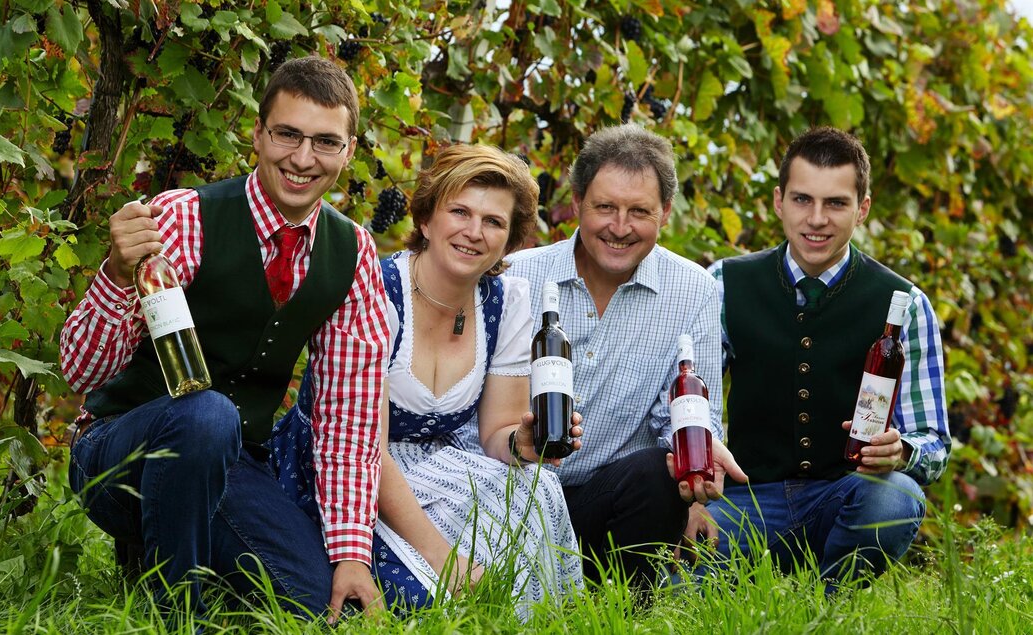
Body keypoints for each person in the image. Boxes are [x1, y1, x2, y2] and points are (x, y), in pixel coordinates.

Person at [60, 56, 389, 619]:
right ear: (258, 136)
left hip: (233, 463)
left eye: (325, 142)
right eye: (287, 134)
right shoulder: (184, 218)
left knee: (315, 607)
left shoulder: (352, 254)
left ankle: (169, 554)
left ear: (349, 151)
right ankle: (176, 614)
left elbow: (348, 418)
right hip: (118, 454)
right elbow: (82, 373)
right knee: (207, 415)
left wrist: (352, 552)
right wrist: (117, 276)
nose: (304, 159)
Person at [270, 144, 584, 618]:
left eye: (494, 222)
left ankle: (531, 617)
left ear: (510, 239)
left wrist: (520, 441)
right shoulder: (376, 290)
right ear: (426, 220)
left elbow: (495, 433)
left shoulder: (506, 302)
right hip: (343, 463)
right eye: (460, 211)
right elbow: (362, 447)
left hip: (430, 465)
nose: (474, 233)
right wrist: (445, 559)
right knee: (421, 602)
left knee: (538, 489)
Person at [706, 126, 950, 588]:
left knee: (895, 499)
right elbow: (690, 399)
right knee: (682, 584)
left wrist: (903, 452)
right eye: (802, 200)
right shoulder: (723, 283)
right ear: (779, 201)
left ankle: (828, 603)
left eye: (836, 203)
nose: (816, 218)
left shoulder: (905, 303)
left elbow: (935, 444)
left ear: (862, 209)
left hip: (847, 495)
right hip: (748, 498)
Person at [502, 124, 747, 584]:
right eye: (605, 208)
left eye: (639, 211)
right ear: (577, 204)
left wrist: (693, 482)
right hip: (516, 496)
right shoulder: (519, 277)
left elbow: (691, 413)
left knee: (657, 471)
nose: (619, 227)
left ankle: (627, 608)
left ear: (665, 213)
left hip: (606, 504)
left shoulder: (692, 290)